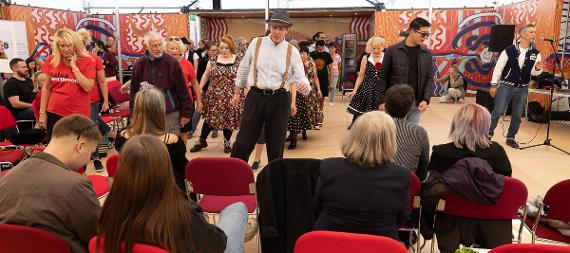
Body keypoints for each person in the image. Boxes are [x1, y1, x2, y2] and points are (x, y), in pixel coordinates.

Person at [97, 135, 248, 253]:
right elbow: (217, 246)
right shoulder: (179, 211)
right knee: (237, 209)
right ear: (164, 169)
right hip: (206, 241)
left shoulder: (109, 212)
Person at [0, 115, 102, 253]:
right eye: (91, 152)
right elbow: (100, 236)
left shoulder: (7, 177)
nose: (89, 159)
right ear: (80, 146)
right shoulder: (75, 185)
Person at [314, 111, 410, 240]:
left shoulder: (328, 167)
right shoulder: (401, 175)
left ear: (353, 136)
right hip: (380, 245)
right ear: (389, 141)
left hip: (328, 243)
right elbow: (403, 217)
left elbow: (317, 206)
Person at [230, 9, 310, 163]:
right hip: (255, 96)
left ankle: (274, 182)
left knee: (276, 145)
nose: (277, 32)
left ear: (287, 30)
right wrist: (237, 92)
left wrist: (304, 86)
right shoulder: (256, 43)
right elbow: (244, 68)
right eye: (275, 27)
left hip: (280, 99)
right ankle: (234, 178)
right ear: (270, 27)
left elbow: (301, 77)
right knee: (243, 141)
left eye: (281, 28)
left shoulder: (292, 51)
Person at [114, 88, 188, 192]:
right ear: (160, 111)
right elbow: (184, 170)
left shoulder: (122, 137)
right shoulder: (171, 141)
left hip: (132, 192)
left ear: (137, 109)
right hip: (165, 195)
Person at [488, 24, 544, 148]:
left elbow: (535, 72)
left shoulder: (536, 53)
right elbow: (499, 68)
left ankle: (511, 137)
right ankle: (487, 135)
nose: (534, 34)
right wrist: (493, 84)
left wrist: (537, 68)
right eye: (531, 32)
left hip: (523, 87)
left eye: (534, 32)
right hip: (506, 86)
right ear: (522, 34)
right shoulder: (509, 50)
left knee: (517, 115)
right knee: (497, 112)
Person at [129, 31, 193, 135]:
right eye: (154, 46)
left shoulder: (172, 63)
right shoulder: (140, 64)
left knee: (170, 146)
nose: (158, 48)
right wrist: (133, 115)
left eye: (160, 44)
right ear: (147, 46)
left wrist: (186, 113)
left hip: (169, 113)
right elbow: (134, 92)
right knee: (151, 146)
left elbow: (182, 89)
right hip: (147, 114)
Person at [39, 28, 97, 140]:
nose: (66, 49)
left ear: (75, 45)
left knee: (78, 148)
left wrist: (74, 67)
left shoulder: (87, 61)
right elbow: (46, 88)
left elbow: (88, 87)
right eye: (62, 46)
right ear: (57, 46)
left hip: (79, 114)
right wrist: (42, 113)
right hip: (55, 112)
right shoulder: (52, 60)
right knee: (56, 148)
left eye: (69, 45)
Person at [428, 103, 512, 177]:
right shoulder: (497, 153)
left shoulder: (440, 153)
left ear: (455, 124)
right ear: (486, 126)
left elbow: (431, 186)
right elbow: (506, 184)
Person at [191, 35, 242, 153]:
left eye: (226, 48)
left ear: (231, 48)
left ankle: (227, 142)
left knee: (228, 119)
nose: (223, 50)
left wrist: (246, 90)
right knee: (210, 119)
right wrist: (200, 87)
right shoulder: (213, 60)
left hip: (231, 94)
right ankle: (202, 140)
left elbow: (243, 77)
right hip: (214, 94)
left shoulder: (238, 60)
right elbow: (205, 74)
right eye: (221, 48)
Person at [379, 17, 434, 125]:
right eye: (423, 34)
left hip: (416, 103)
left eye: (427, 34)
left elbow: (429, 78)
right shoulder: (392, 50)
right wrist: (381, 101)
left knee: (410, 135)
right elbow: (383, 77)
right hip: (395, 102)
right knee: (393, 134)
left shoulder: (426, 53)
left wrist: (425, 99)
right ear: (412, 31)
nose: (425, 37)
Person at [77, 28, 111, 172]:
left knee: (91, 127)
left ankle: (96, 158)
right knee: (79, 129)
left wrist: (105, 100)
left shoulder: (94, 59)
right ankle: (80, 159)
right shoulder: (69, 59)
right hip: (74, 100)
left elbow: (102, 81)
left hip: (91, 99)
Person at [385, 84, 429, 180]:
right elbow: (423, 171)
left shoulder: (373, 127)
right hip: (406, 185)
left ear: (385, 107)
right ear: (409, 111)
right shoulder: (420, 132)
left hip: (375, 183)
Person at [166, 36, 202, 144]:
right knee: (168, 131)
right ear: (167, 50)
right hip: (168, 103)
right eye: (172, 48)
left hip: (185, 103)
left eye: (177, 48)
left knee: (183, 131)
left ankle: (181, 154)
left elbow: (195, 83)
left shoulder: (187, 64)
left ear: (181, 50)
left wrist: (199, 100)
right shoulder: (164, 64)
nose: (174, 51)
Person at [347, 36, 386, 128]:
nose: (376, 51)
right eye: (373, 48)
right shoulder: (366, 57)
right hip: (367, 87)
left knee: (379, 112)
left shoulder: (386, 57)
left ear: (383, 47)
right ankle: (356, 127)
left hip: (380, 89)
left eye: (378, 49)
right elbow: (360, 76)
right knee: (361, 110)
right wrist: (355, 89)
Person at [191, 41, 218, 137]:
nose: (215, 52)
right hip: (205, 89)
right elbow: (199, 77)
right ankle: (192, 130)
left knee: (215, 110)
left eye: (216, 50)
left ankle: (215, 129)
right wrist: (200, 88)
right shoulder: (202, 61)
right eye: (212, 50)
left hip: (218, 91)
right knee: (198, 110)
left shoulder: (220, 61)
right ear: (207, 50)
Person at [310, 40, 333, 129]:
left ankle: (319, 115)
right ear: (316, 46)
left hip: (323, 80)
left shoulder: (327, 55)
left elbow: (331, 69)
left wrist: (331, 83)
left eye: (323, 47)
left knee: (321, 98)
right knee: (313, 98)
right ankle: (313, 116)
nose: (322, 48)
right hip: (313, 80)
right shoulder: (311, 54)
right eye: (320, 47)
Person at [299, 46, 322, 134]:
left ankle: (308, 127)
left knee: (311, 107)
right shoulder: (297, 63)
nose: (301, 56)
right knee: (301, 108)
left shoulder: (312, 63)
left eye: (303, 54)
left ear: (308, 55)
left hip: (310, 88)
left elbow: (315, 78)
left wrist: (319, 90)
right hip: (300, 88)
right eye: (300, 54)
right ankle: (299, 128)